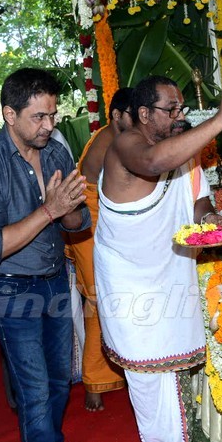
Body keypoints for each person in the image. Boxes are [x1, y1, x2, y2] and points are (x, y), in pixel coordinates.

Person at [94, 74, 222, 442]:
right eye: (172, 109)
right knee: (152, 386)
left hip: (170, 276)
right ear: (145, 114)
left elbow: (196, 199)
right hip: (131, 288)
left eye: (181, 108)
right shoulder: (125, 146)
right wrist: (219, 119)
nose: (180, 116)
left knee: (176, 384)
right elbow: (152, 164)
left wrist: (209, 217)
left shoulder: (180, 147)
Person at [0, 68, 91, 442]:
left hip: (55, 281)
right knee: (33, 392)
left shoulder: (54, 151)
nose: (49, 125)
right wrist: (49, 210)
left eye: (52, 114)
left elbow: (77, 220)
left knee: (59, 382)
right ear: (9, 114)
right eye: (39, 116)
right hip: (12, 291)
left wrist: (65, 208)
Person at [66, 87, 133, 411]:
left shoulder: (116, 135)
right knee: (98, 302)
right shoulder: (111, 140)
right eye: (135, 115)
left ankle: (113, 372)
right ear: (118, 115)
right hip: (88, 230)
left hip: (100, 228)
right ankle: (93, 381)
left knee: (109, 303)